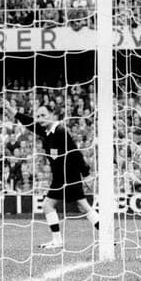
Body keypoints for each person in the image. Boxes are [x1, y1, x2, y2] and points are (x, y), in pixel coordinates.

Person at [10, 104, 98, 251]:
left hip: (68, 174)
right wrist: (15, 112)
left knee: (49, 205)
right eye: (38, 116)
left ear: (53, 115)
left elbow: (75, 152)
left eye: (43, 115)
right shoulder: (46, 131)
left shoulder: (60, 131)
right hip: (61, 176)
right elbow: (31, 124)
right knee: (82, 206)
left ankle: (58, 241)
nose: (40, 118)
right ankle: (107, 237)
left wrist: (86, 174)